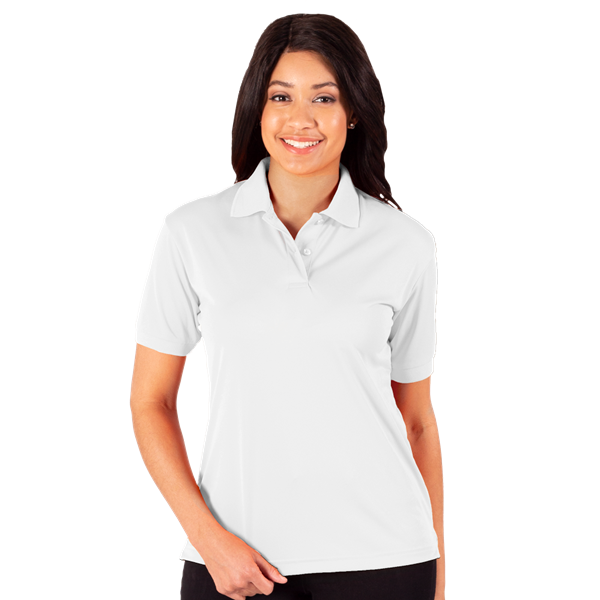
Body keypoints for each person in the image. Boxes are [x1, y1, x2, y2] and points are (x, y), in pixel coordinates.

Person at [130, 12, 444, 600]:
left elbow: (418, 421)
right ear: (258, 107)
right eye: (281, 96)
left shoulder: (406, 244)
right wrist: (208, 539)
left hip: (386, 560)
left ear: (353, 111)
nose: (301, 119)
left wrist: (438, 572)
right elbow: (150, 402)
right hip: (233, 563)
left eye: (324, 97)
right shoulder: (192, 231)